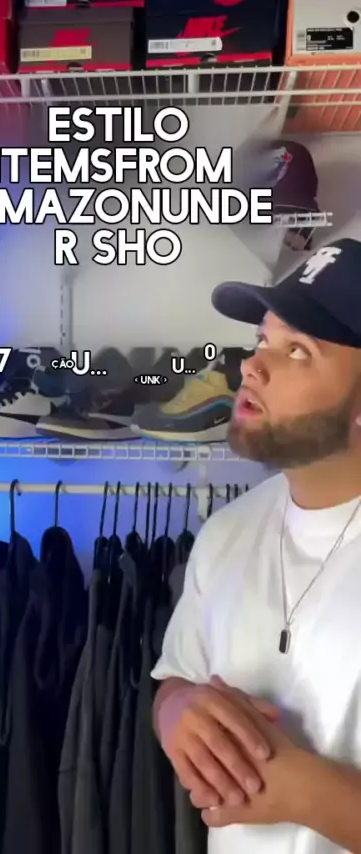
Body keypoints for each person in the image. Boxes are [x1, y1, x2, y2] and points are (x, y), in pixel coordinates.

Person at [151, 237, 361, 854]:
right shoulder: (226, 533)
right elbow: (177, 678)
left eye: (298, 351)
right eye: (262, 339)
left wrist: (310, 795)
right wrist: (177, 713)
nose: (252, 367)